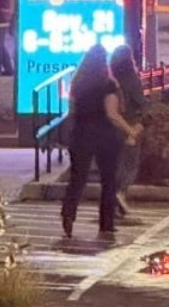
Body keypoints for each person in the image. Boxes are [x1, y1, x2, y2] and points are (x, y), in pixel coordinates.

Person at [61, 44, 143, 239]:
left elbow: (73, 110)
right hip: (105, 136)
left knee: (77, 179)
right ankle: (106, 223)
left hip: (80, 135)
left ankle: (68, 214)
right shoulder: (108, 84)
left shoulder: (77, 84)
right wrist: (130, 130)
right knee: (109, 181)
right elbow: (112, 114)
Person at [110, 45, 147, 220]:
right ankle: (120, 194)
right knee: (130, 165)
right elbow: (141, 104)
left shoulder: (111, 80)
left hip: (112, 128)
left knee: (117, 165)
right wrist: (137, 128)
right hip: (130, 125)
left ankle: (115, 205)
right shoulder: (132, 79)